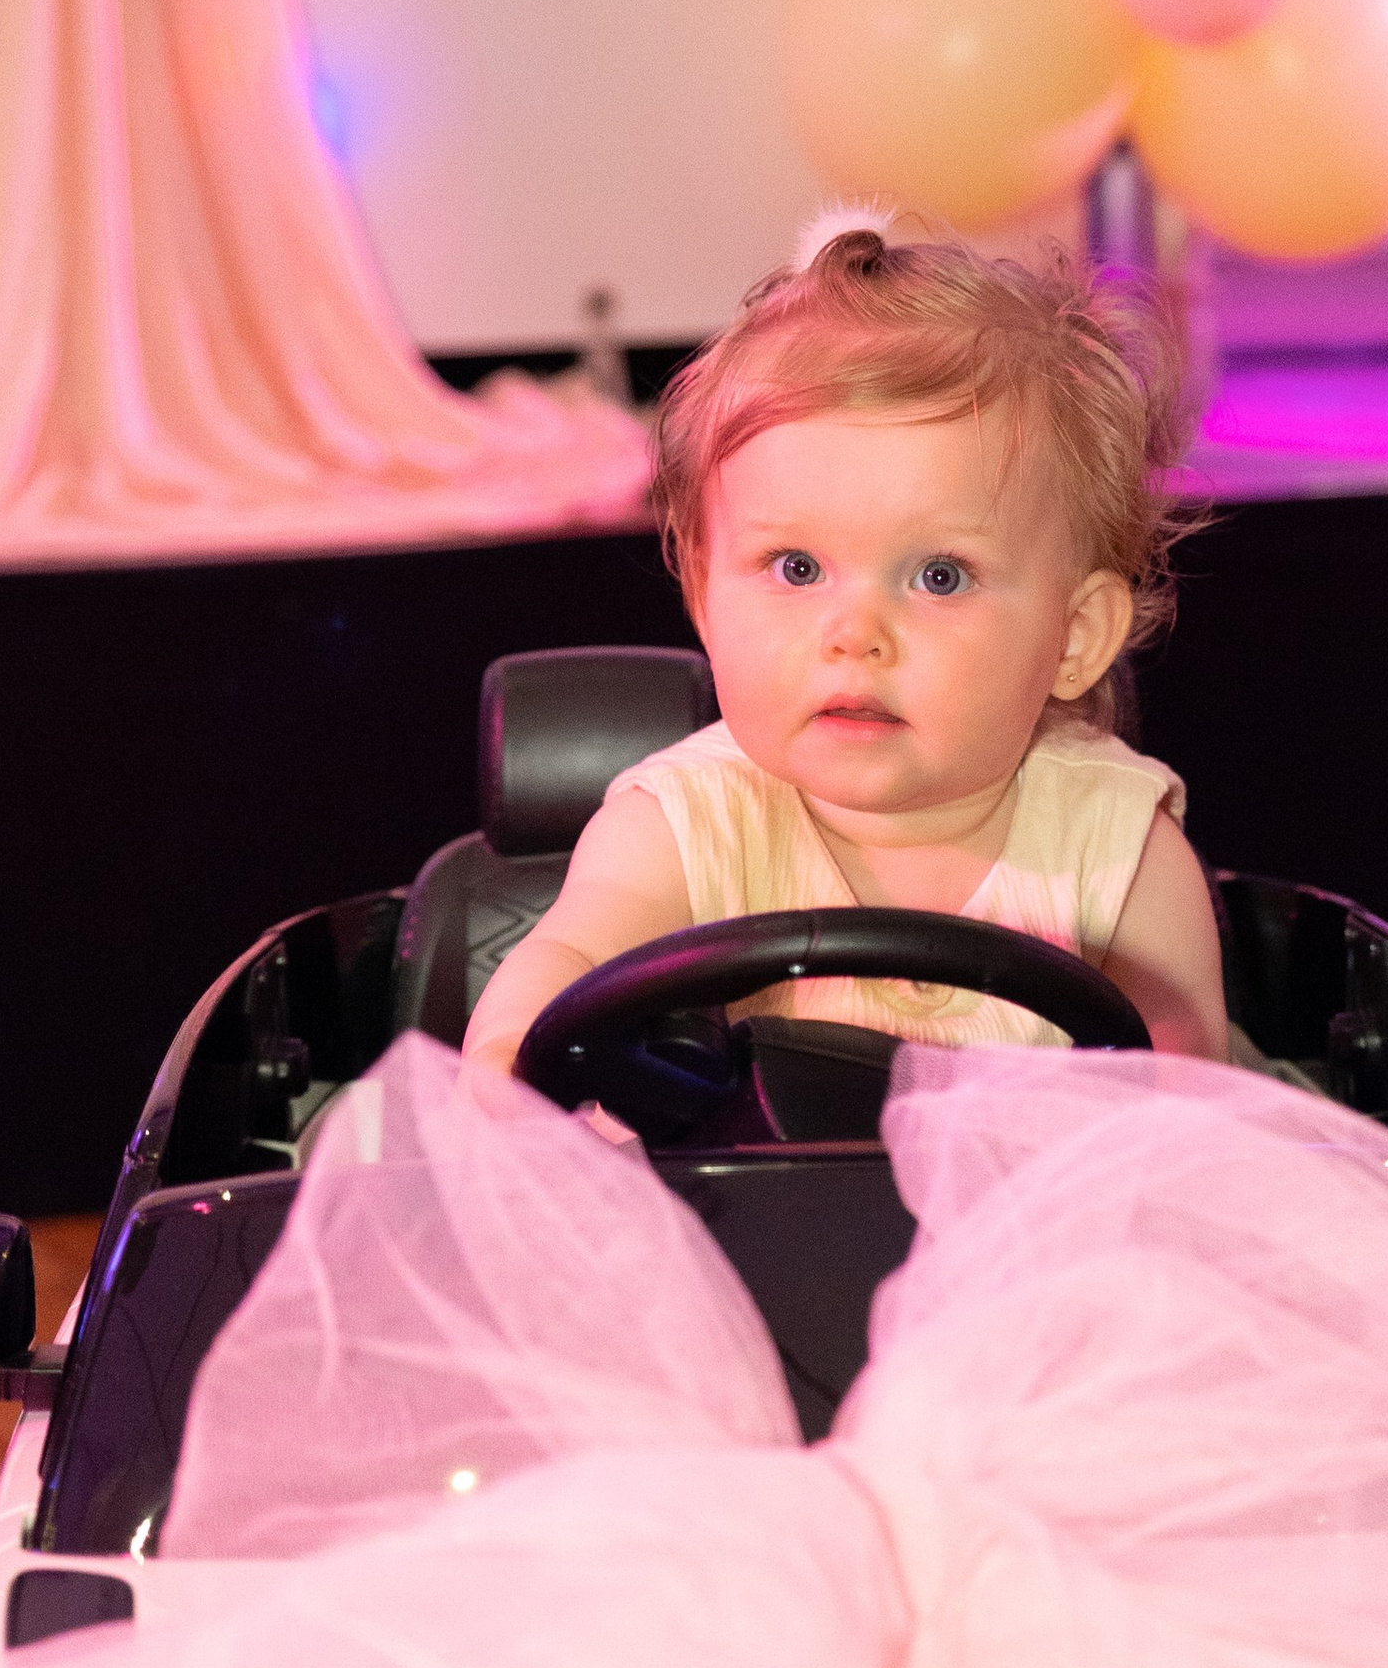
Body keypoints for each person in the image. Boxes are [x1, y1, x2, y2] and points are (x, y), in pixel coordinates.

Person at [460, 213, 1230, 1079]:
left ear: (1074, 637)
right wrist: (504, 1068)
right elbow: (563, 961)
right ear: (704, 597)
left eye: (939, 577)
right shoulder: (686, 826)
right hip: (736, 1214)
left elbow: (1190, 1102)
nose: (856, 635)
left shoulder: (1117, 852)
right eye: (796, 568)